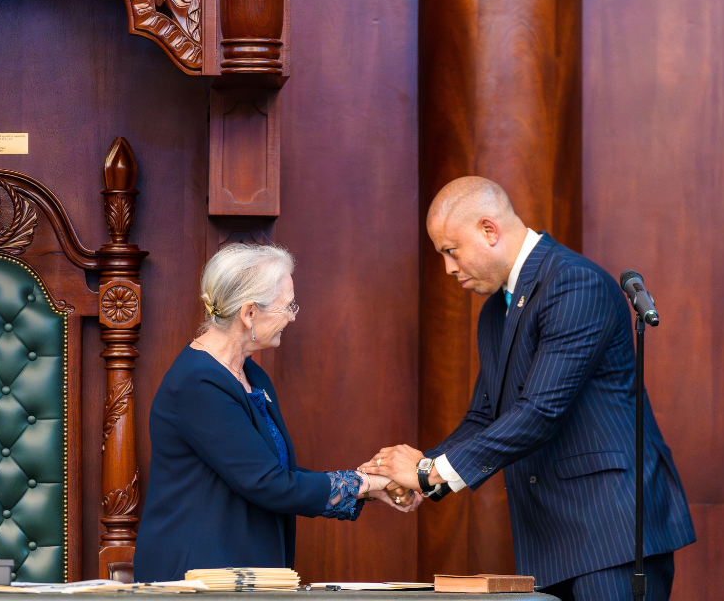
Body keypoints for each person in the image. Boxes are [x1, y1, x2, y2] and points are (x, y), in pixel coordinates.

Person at [364, 177, 695, 600]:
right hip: (552, 539)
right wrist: (423, 478)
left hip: (610, 531)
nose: (448, 268)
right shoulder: (495, 310)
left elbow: (539, 412)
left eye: (451, 250)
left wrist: (428, 472)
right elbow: (484, 417)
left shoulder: (574, 283)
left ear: (489, 230)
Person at [134, 243, 418, 583]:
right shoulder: (198, 383)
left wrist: (369, 489)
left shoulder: (251, 374)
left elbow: (276, 473)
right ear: (249, 313)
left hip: (239, 570)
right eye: (287, 306)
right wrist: (366, 482)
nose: (293, 316)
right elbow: (268, 483)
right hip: (198, 575)